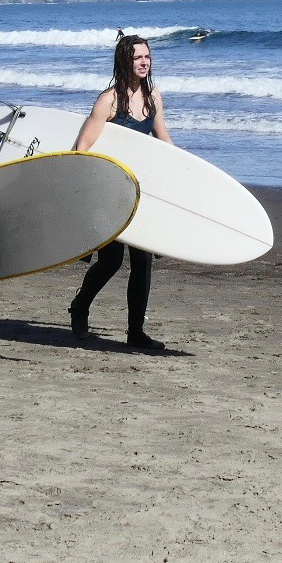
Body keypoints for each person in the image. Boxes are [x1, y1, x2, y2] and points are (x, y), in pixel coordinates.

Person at [69, 34, 170, 351]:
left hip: (142, 189)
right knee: (111, 261)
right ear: (125, 61)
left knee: (142, 262)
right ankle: (81, 306)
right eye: (138, 57)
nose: (144, 62)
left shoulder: (152, 96)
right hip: (111, 190)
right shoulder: (109, 101)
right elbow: (82, 148)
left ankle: (135, 331)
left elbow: (164, 141)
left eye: (148, 57)